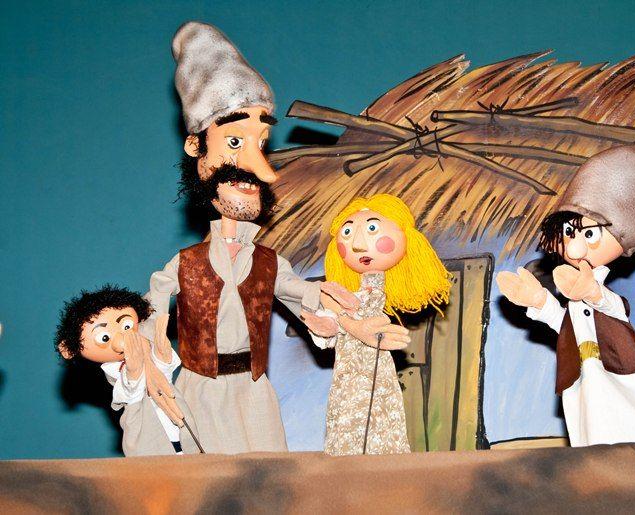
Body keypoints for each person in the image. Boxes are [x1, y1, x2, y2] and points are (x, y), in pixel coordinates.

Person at [139, 22, 402, 454]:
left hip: (255, 391)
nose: (262, 170)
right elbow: (151, 313)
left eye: (261, 143)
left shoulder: (270, 263)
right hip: (200, 394)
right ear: (197, 149)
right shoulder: (183, 264)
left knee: (271, 474)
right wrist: (145, 357)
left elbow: (306, 297)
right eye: (235, 141)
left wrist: (352, 325)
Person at [497, 145, 635, 447]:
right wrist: (540, 301)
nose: (574, 247)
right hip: (583, 374)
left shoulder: (599, 291)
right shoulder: (571, 289)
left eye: (589, 234)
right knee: (589, 425)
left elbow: (616, 310)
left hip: (618, 368)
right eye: (569, 233)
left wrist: (593, 292)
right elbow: (565, 326)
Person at [315, 194, 450, 455]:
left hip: (374, 372)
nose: (358, 244)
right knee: (350, 426)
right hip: (351, 375)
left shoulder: (378, 292)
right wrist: (335, 323)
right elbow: (325, 303)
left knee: (380, 426)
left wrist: (339, 322)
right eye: (348, 233)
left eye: (372, 229)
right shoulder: (345, 294)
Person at [55, 285, 199, 455]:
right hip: (146, 430)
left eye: (126, 326)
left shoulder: (147, 348)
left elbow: (164, 376)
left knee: (190, 454)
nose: (121, 337)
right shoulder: (116, 371)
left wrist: (162, 353)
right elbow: (130, 390)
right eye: (105, 337)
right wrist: (134, 371)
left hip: (179, 422)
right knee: (155, 463)